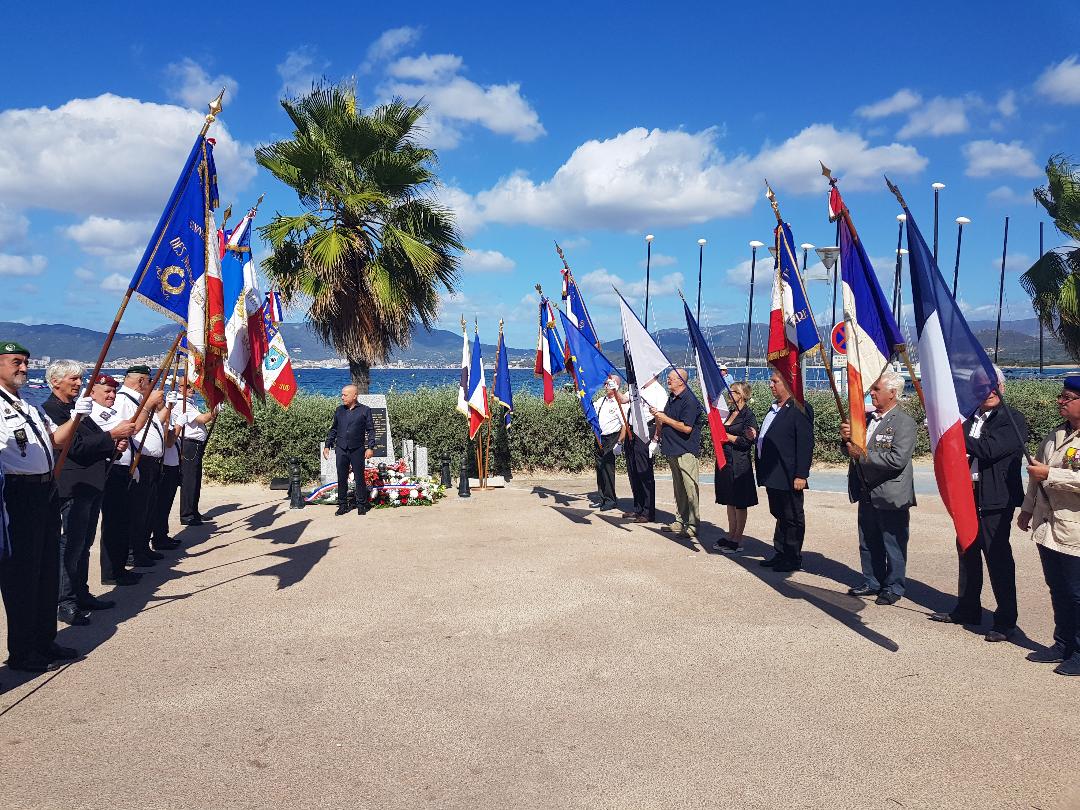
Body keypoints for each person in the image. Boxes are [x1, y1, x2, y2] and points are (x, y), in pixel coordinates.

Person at [0, 341, 81, 672]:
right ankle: (22, 651)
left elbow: (56, 440)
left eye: (25, 363)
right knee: (22, 577)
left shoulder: (29, 406)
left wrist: (78, 416)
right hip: (17, 497)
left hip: (45, 492)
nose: (23, 368)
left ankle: (44, 640)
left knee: (47, 570)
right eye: (15, 362)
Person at [931, 367, 1027, 639]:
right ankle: (968, 608)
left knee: (997, 558)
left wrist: (951, 435)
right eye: (981, 386)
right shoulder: (967, 419)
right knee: (967, 552)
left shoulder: (1012, 419)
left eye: (992, 385)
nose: (988, 391)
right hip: (967, 495)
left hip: (995, 498)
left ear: (1002, 387)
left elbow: (989, 449)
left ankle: (1006, 620)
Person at [43, 363, 135, 625]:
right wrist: (112, 435)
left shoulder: (78, 408)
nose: (78, 383)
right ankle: (66, 601)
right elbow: (75, 446)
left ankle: (81, 592)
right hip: (73, 485)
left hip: (92, 484)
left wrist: (113, 442)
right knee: (70, 545)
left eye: (80, 378)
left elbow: (96, 438)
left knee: (83, 545)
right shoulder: (53, 410)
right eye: (74, 378)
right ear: (56, 381)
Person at [1017, 376, 1080, 677]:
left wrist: (1050, 474)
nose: (1060, 401)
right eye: (1061, 396)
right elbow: (1035, 479)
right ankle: (1062, 643)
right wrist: (1027, 511)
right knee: (1057, 588)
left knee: (1076, 591)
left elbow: (1047, 475)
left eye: (1068, 397)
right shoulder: (1055, 435)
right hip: (1049, 526)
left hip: (1074, 529)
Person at [840, 370, 917, 606]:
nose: (871, 393)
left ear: (892, 393)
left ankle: (893, 586)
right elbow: (851, 452)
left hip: (890, 493)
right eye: (872, 389)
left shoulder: (904, 423)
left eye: (876, 389)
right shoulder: (866, 419)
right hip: (866, 489)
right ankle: (872, 580)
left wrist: (861, 454)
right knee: (868, 539)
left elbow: (897, 459)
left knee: (892, 541)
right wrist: (846, 440)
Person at [756, 371, 814, 572]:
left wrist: (801, 474)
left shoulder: (799, 408)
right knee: (780, 514)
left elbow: (805, 444)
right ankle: (780, 552)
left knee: (792, 516)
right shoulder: (773, 409)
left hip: (789, 474)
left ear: (788, 383)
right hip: (773, 473)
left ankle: (793, 557)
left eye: (775, 381)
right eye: (770, 381)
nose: (771, 385)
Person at [109, 366, 165, 571]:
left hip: (148, 460)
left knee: (147, 509)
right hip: (135, 460)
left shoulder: (139, 400)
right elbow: (127, 427)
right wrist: (149, 404)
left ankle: (142, 547)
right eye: (149, 381)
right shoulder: (123, 399)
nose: (150, 385)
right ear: (141, 381)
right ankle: (134, 552)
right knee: (137, 509)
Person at [652, 368, 703, 541]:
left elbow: (686, 427)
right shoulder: (672, 398)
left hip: (686, 450)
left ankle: (693, 524)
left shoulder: (689, 400)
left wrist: (665, 419)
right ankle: (680, 520)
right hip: (672, 449)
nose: (668, 380)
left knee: (690, 489)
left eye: (672, 378)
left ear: (681, 381)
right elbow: (667, 419)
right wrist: (659, 417)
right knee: (678, 489)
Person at [713, 381, 758, 554]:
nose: (729, 394)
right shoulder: (730, 413)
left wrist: (728, 437)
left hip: (739, 462)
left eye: (732, 392)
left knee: (739, 501)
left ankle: (738, 538)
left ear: (741, 395)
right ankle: (731, 534)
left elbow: (748, 442)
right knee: (729, 500)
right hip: (726, 460)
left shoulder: (748, 415)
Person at [323, 384, 377, 515]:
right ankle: (342, 505)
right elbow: (334, 429)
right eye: (342, 394)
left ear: (354, 396)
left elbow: (371, 430)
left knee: (359, 478)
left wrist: (370, 447)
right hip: (341, 449)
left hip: (357, 449)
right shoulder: (339, 410)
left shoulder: (365, 410)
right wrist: (327, 445)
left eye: (345, 395)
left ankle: (361, 505)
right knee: (341, 477)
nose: (342, 397)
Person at [178, 385, 216, 526]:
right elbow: (202, 419)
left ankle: (194, 512)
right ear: (180, 387)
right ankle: (187, 515)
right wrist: (215, 410)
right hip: (189, 445)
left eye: (192, 386)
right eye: (187, 386)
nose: (191, 389)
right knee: (189, 480)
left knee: (195, 479)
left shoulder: (190, 402)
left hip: (195, 445)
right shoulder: (182, 403)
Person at [150, 391, 183, 551]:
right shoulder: (158, 420)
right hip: (165, 467)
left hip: (173, 466)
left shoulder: (166, 418)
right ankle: (159, 538)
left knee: (166, 504)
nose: (162, 401)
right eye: (159, 400)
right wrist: (178, 426)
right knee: (161, 505)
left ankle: (162, 535)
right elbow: (169, 442)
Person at [590, 374, 627, 512]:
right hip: (600, 438)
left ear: (616, 386)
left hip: (612, 438)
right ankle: (602, 498)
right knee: (600, 469)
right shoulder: (602, 400)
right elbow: (591, 410)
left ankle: (611, 500)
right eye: (605, 384)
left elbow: (624, 425)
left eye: (608, 384)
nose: (605, 386)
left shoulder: (619, 403)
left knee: (608, 470)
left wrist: (619, 443)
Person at [621, 388, 657, 524]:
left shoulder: (657, 391)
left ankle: (648, 512)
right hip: (632, 432)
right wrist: (615, 389)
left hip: (645, 431)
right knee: (633, 472)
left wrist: (656, 439)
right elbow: (623, 400)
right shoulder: (636, 387)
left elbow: (659, 416)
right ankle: (638, 508)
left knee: (644, 473)